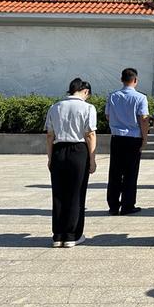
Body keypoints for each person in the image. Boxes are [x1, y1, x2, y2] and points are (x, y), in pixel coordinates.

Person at [45, 78, 97, 248]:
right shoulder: (88, 108)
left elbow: (49, 135)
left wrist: (50, 157)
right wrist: (92, 159)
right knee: (76, 193)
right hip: (78, 151)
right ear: (85, 91)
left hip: (59, 149)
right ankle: (72, 235)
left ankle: (58, 235)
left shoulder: (55, 107)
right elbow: (90, 134)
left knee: (58, 194)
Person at [105, 68, 150, 216]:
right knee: (131, 172)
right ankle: (127, 204)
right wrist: (145, 138)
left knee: (115, 172)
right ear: (135, 80)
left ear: (121, 79)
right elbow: (144, 119)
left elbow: (107, 115)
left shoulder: (112, 96)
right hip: (133, 138)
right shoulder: (140, 98)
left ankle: (113, 205)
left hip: (117, 138)